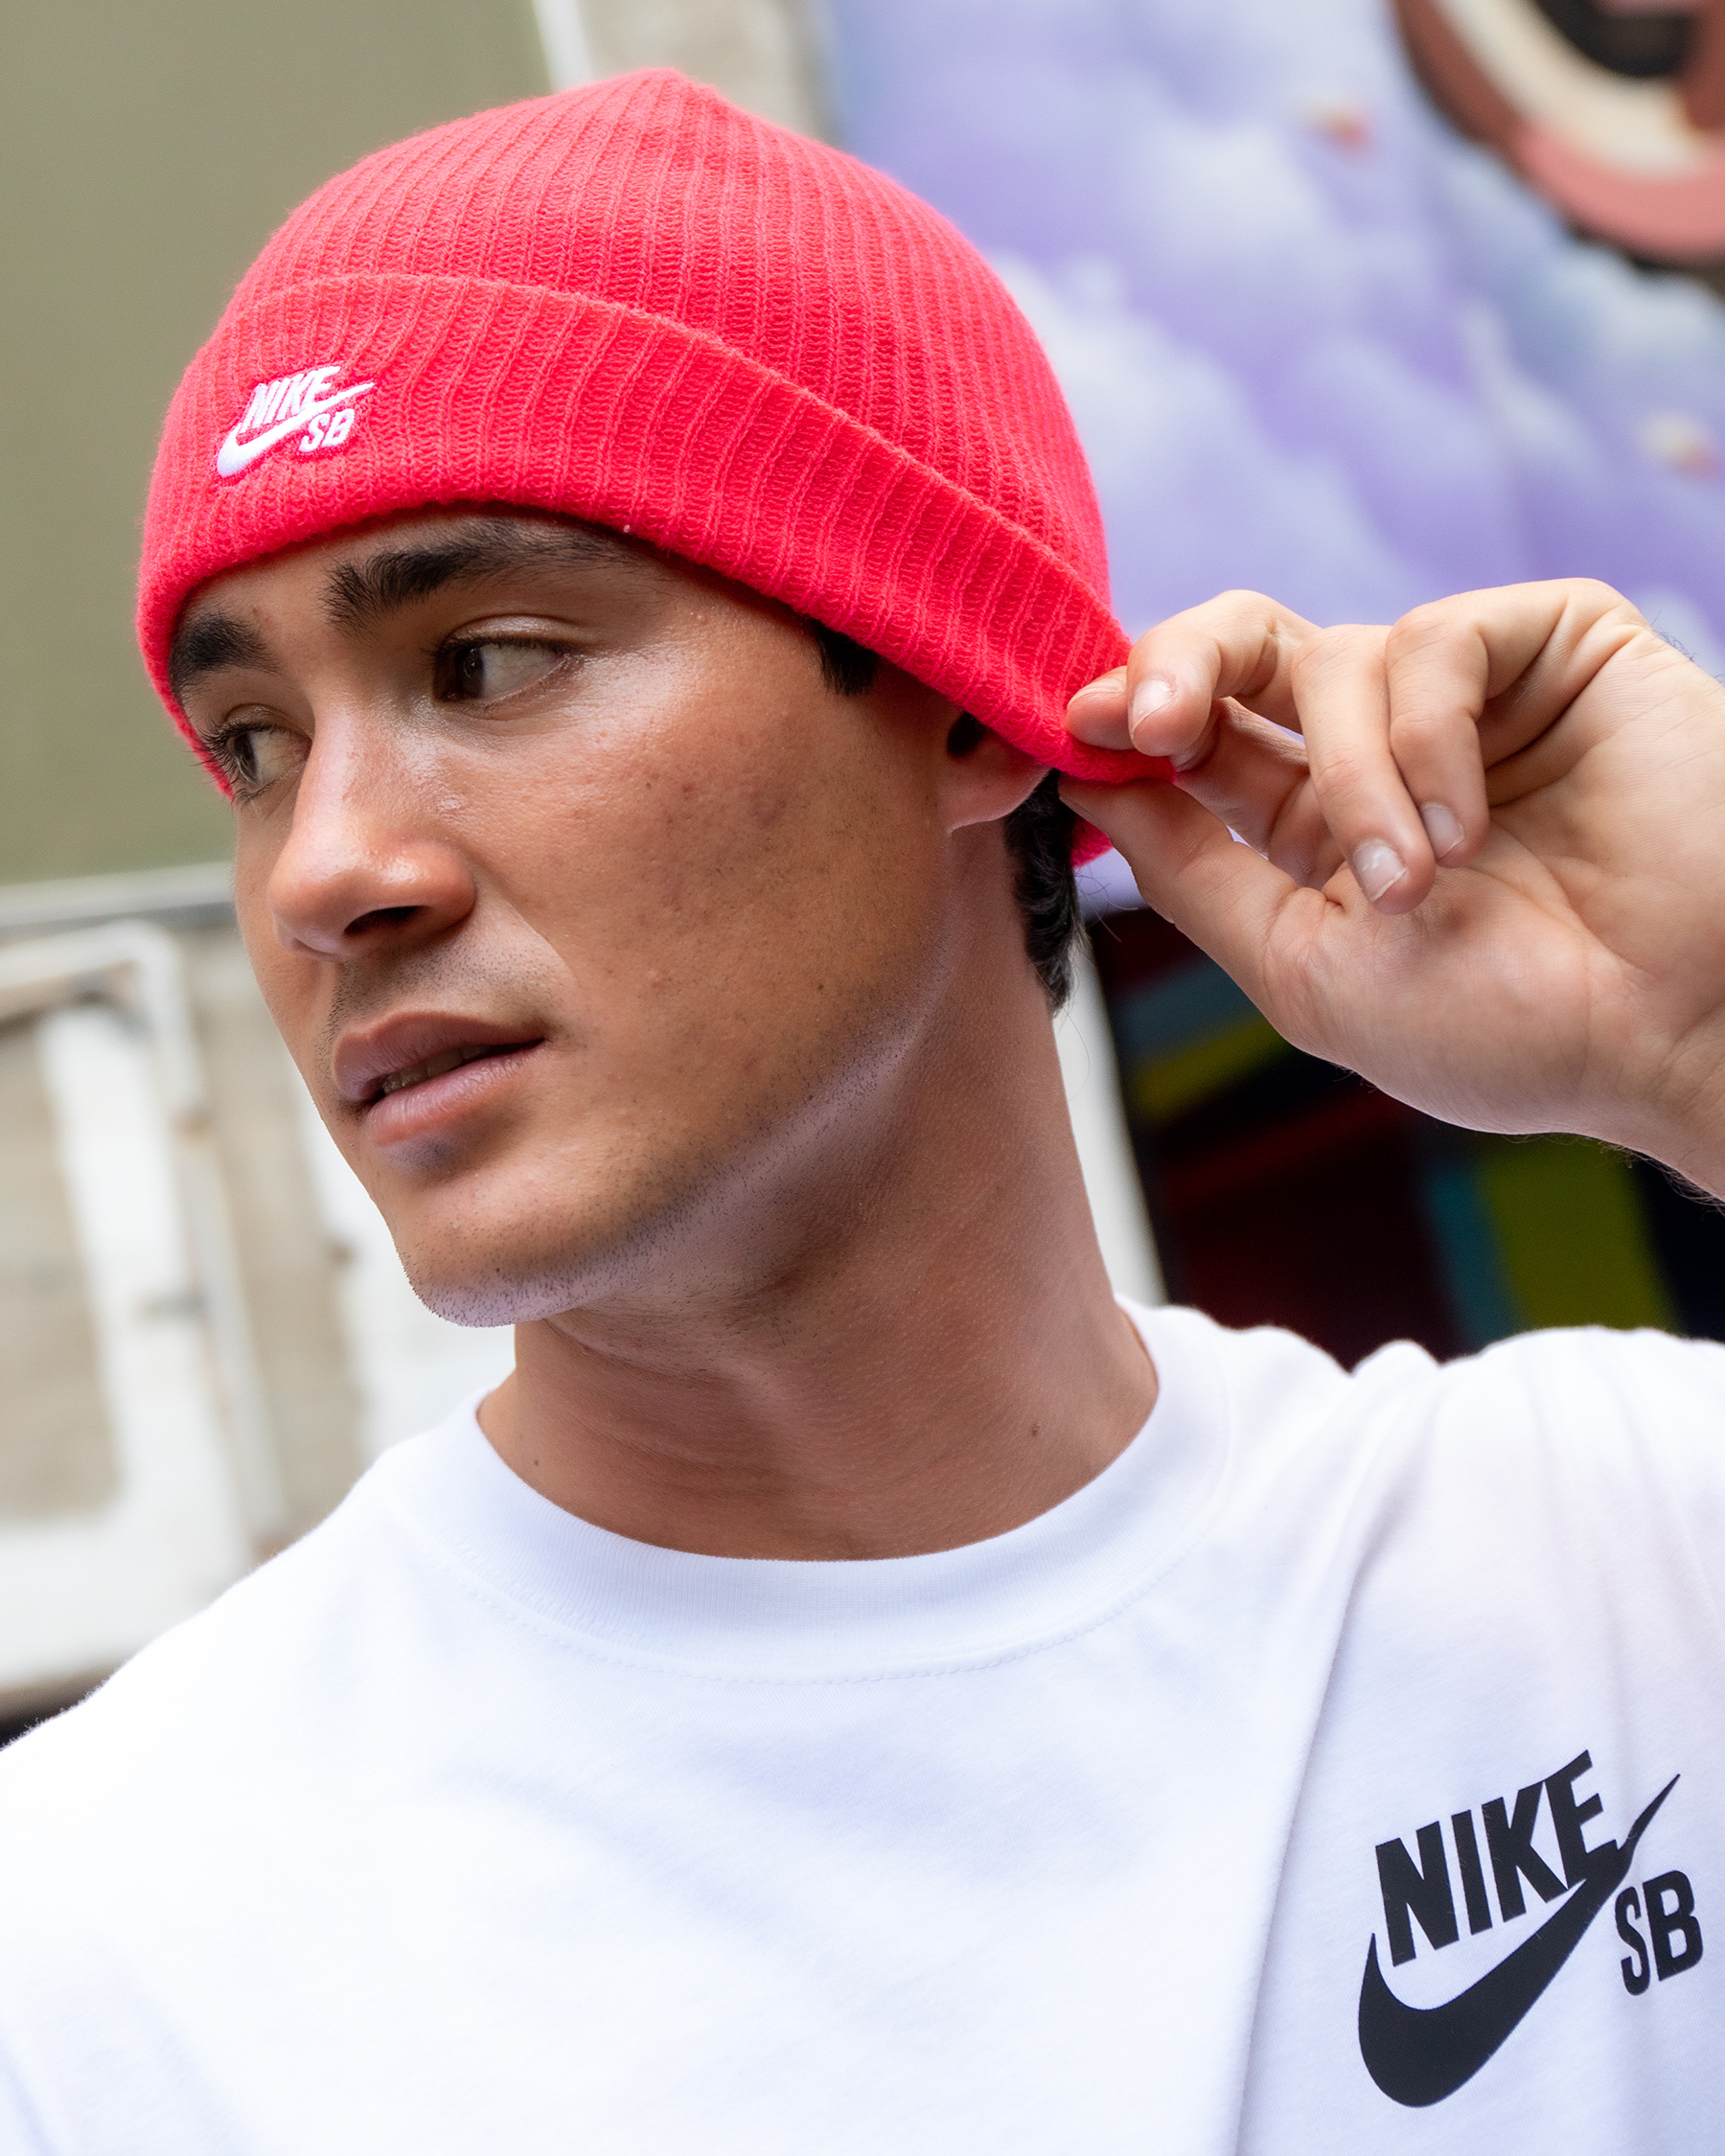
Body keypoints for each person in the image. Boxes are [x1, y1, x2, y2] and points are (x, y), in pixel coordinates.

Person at [1, 68, 1720, 2155]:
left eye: (490, 661)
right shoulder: (96, 1954)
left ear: (958, 692)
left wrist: (1700, 1035)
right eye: (255, 744)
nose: (324, 870)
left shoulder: (1633, 1563)